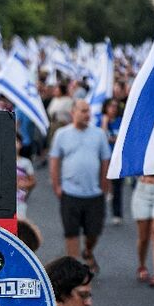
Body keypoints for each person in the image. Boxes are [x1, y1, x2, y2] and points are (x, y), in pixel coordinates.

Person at [50, 99, 112, 274]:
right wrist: (57, 186)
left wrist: (104, 186)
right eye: (83, 111)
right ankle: (75, 268)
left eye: (88, 111)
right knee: (71, 232)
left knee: (94, 232)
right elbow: (54, 161)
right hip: (70, 192)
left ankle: (89, 251)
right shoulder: (62, 134)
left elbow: (105, 160)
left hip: (94, 194)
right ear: (73, 112)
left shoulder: (99, 134)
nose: (87, 114)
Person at [101, 98, 124, 225]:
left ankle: (117, 213)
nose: (113, 109)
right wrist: (104, 123)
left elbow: (120, 139)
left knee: (117, 187)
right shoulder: (101, 120)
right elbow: (101, 138)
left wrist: (113, 139)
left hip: (116, 159)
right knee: (102, 186)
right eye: (111, 106)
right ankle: (100, 213)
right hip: (104, 159)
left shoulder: (121, 121)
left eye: (115, 106)